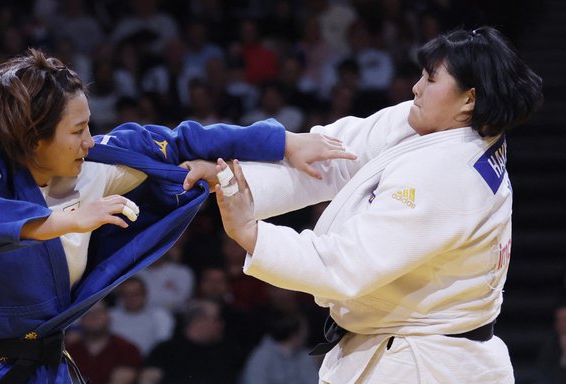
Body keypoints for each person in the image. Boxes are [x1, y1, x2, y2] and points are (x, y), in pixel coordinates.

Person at [0, 48, 353, 383]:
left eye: (89, 126)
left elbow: (182, 141)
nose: (89, 140)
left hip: (40, 366)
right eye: (77, 130)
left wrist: (283, 143)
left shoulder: (96, 161)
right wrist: (69, 219)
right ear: (32, 138)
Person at [186, 26, 543, 383]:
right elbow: (330, 156)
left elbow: (345, 266)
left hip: (426, 367)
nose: (416, 88)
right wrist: (230, 177)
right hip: (403, 350)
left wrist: (251, 233)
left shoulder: (450, 174)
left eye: (431, 79)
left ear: (469, 99)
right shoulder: (443, 125)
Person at [139, 299, 244, 384]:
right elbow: (148, 380)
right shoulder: (165, 350)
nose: (221, 325)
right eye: (216, 319)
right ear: (199, 321)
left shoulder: (229, 353)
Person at [65, 300, 142, 384]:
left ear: (108, 316)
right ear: (81, 320)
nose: (94, 317)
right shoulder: (69, 351)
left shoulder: (127, 349)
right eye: (88, 313)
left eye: (99, 312)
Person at [240, 309, 319, 384]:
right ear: (294, 334)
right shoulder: (262, 357)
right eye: (304, 330)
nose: (306, 334)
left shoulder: (305, 357)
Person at [109, 277, 175, 357]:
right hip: (117, 362)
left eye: (136, 294)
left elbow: (163, 346)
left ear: (145, 294)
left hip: (150, 362)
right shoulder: (110, 316)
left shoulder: (160, 315)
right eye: (126, 295)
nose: (131, 298)